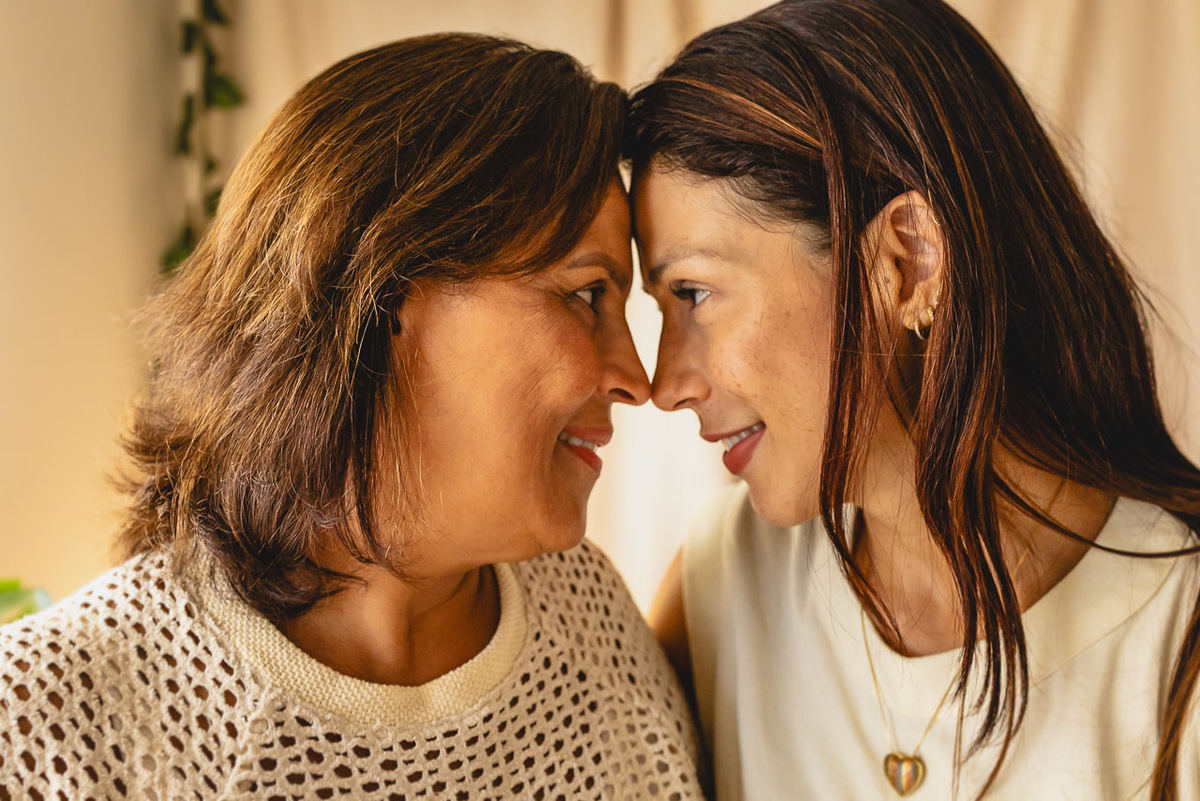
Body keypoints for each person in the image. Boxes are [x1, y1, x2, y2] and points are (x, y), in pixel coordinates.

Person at [0, 34, 701, 800]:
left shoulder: (594, 623)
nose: (638, 377)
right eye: (585, 293)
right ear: (384, 294)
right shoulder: (43, 725)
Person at [626, 0, 1200, 798]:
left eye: (693, 292)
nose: (664, 383)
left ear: (907, 261)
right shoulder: (728, 579)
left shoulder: (1178, 639)